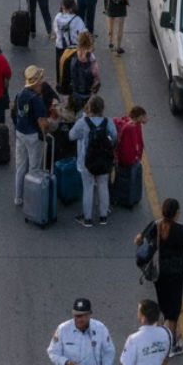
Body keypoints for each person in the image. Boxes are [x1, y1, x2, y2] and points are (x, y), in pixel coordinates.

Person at [134, 198, 183, 355]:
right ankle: (170, 346)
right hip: (175, 275)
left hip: (159, 274)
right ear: (177, 213)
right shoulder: (181, 230)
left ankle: (169, 337)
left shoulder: (156, 225)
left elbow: (138, 239)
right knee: (173, 312)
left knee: (165, 307)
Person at [47, 298, 114, 365]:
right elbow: (53, 352)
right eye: (76, 315)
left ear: (90, 314)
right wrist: (65, 362)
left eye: (82, 315)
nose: (78, 319)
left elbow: (109, 350)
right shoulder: (63, 329)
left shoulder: (100, 328)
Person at [70, 95, 117, 227]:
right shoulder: (108, 122)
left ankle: (88, 219)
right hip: (104, 159)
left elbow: (71, 136)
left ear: (89, 108)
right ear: (103, 108)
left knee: (88, 188)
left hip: (86, 162)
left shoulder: (82, 122)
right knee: (103, 186)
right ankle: (103, 217)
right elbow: (114, 137)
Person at [119, 300, 171, 365]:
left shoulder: (134, 339)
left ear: (143, 318)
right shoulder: (167, 333)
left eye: (138, 311)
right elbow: (166, 358)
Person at [13, 64, 51, 206]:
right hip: (33, 136)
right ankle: (32, 200)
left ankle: (18, 197)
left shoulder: (20, 94)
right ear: (36, 83)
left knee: (21, 167)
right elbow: (43, 123)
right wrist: (47, 131)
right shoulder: (36, 99)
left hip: (20, 132)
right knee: (34, 168)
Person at [67, 31, 102, 113]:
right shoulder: (91, 57)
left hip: (74, 90)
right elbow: (96, 75)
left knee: (75, 112)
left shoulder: (72, 53)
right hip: (87, 92)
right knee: (86, 113)